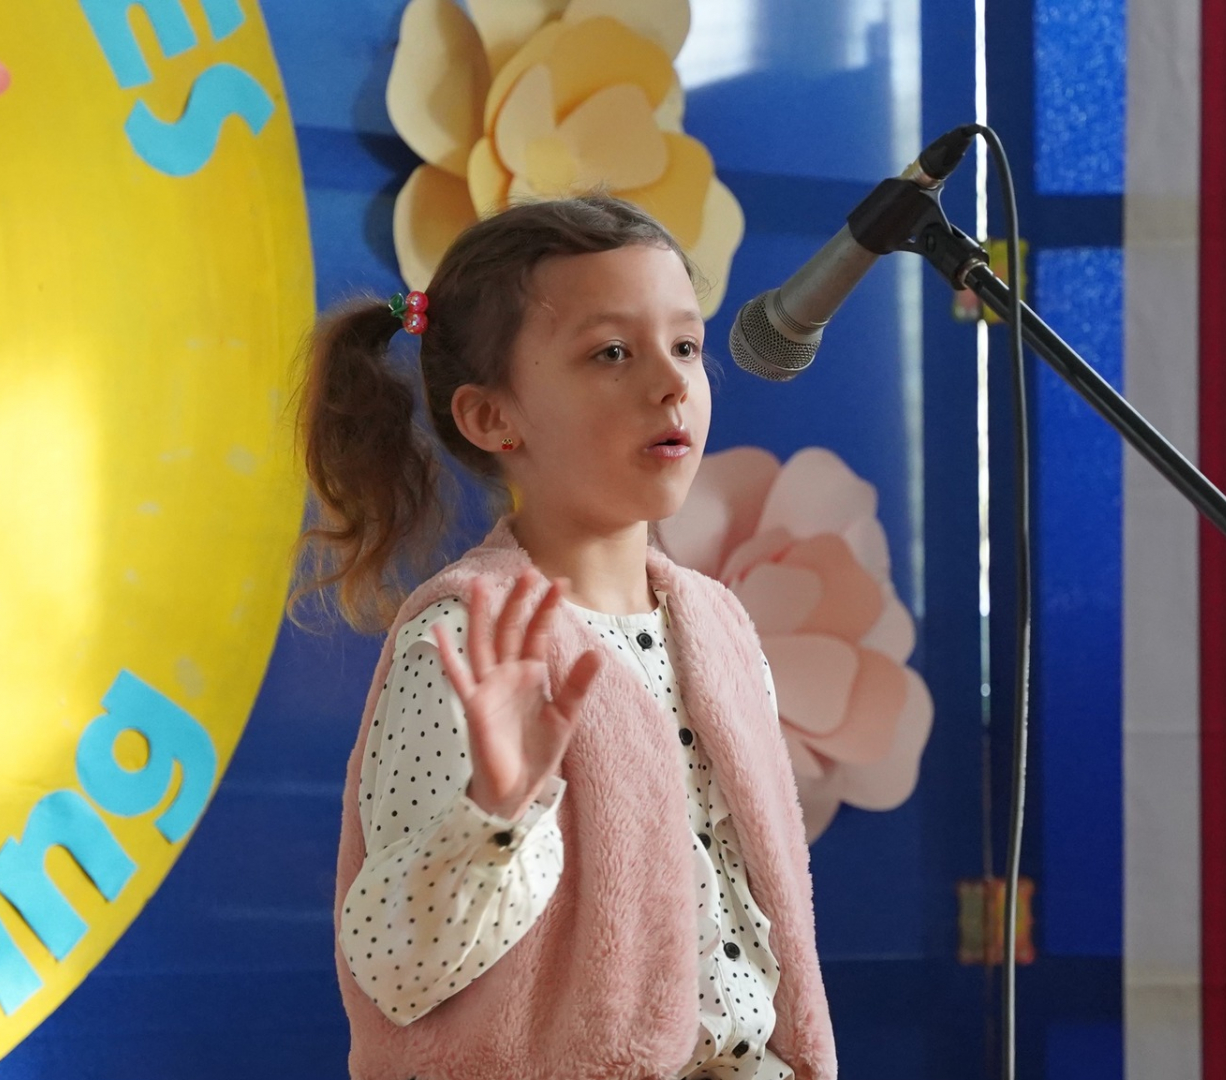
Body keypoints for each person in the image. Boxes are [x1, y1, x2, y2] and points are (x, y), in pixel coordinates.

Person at [288, 194, 836, 1080]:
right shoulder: (466, 639)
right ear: (491, 417)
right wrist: (494, 815)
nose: (672, 384)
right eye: (612, 353)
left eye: (685, 346)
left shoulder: (718, 626)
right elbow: (395, 970)